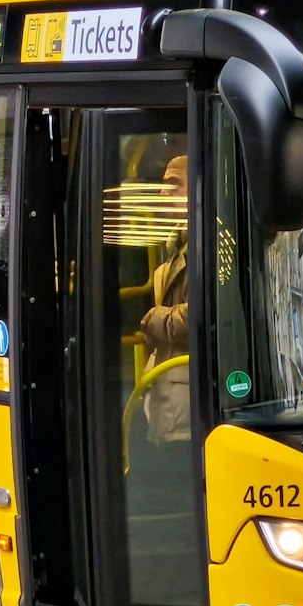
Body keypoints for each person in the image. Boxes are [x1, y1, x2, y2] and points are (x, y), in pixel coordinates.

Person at [139, 155, 191, 443]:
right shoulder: (173, 248)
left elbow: (207, 315)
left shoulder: (209, 245)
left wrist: (154, 319)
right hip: (170, 401)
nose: (162, 194)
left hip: (186, 410)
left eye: (173, 185)